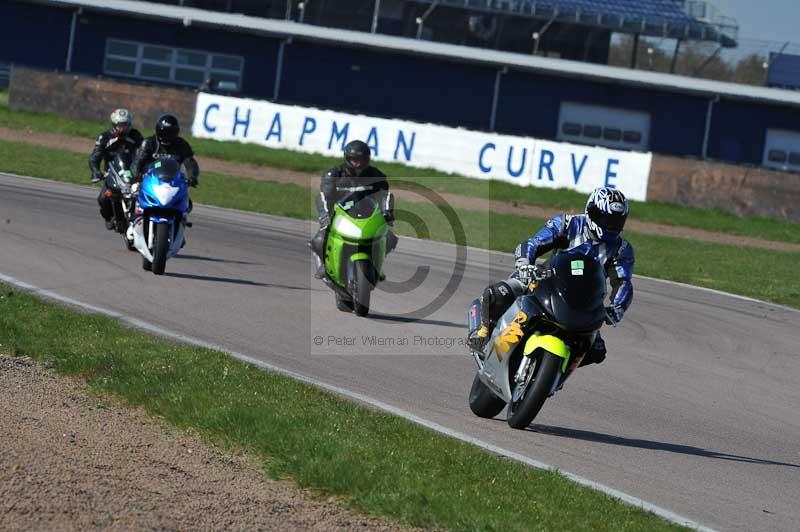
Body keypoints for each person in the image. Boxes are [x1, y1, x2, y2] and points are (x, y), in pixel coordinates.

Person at [468, 187, 635, 367]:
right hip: (545, 280)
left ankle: (558, 372)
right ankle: (481, 333)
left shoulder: (621, 249)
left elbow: (623, 282)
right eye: (606, 219)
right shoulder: (567, 224)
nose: (611, 226)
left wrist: (616, 308)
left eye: (617, 221)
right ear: (592, 211)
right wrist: (525, 265)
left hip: (584, 303)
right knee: (497, 294)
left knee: (596, 351)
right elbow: (532, 243)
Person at [310, 140, 397, 279]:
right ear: (347, 158)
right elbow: (322, 198)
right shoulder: (333, 175)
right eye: (354, 160)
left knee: (390, 238)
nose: (358, 164)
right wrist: (325, 217)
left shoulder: (376, 175)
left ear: (368, 159)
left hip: (368, 217)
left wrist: (387, 214)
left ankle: (376, 265)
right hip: (338, 217)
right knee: (319, 240)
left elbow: (385, 196)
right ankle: (325, 265)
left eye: (362, 160)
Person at [89, 108, 143, 230]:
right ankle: (110, 217)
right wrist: (96, 171)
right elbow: (94, 157)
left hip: (132, 173)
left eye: (126, 125)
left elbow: (144, 154)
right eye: (121, 125)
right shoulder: (104, 137)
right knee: (102, 199)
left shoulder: (136, 136)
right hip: (112, 174)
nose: (124, 128)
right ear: (114, 125)